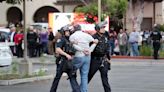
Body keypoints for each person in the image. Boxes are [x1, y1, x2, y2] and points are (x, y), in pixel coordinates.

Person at [50, 25, 80, 92]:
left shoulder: (69, 40)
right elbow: (58, 49)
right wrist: (66, 55)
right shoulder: (61, 39)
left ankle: (77, 90)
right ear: (63, 32)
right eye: (66, 31)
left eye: (68, 31)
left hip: (69, 61)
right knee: (57, 77)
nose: (68, 32)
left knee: (72, 77)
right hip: (62, 61)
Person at [69, 24, 98, 92]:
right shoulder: (86, 35)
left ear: (74, 29)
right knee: (84, 75)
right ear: (80, 28)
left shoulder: (72, 36)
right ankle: (84, 90)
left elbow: (72, 45)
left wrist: (82, 50)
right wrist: (90, 50)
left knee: (72, 73)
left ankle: (76, 89)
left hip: (78, 56)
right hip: (87, 57)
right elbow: (95, 42)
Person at [88, 21, 111, 92]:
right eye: (102, 27)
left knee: (105, 79)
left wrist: (108, 59)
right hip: (95, 60)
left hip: (103, 60)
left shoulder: (105, 37)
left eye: (104, 27)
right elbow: (89, 49)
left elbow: (107, 48)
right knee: (88, 77)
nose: (104, 29)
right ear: (98, 29)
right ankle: (78, 90)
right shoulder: (92, 37)